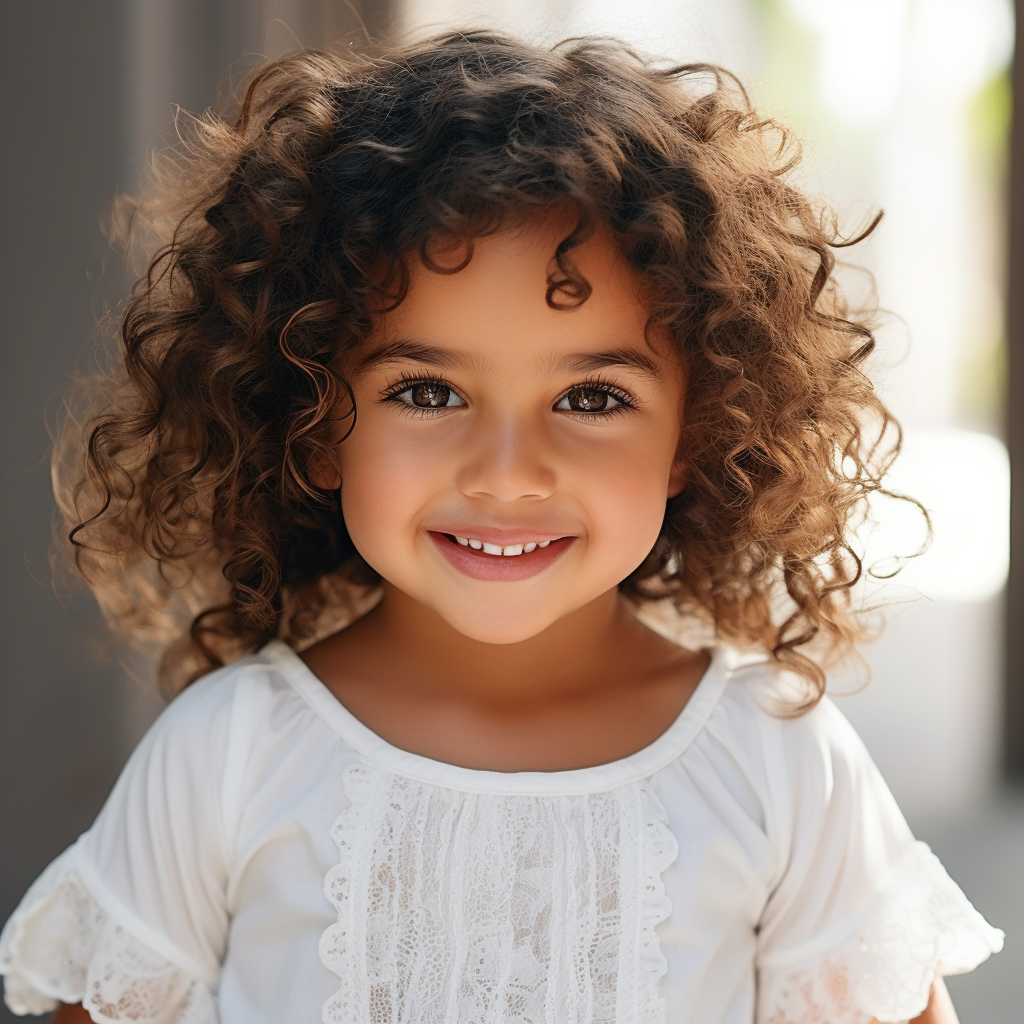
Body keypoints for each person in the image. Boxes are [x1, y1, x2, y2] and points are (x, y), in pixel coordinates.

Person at [0, 30, 1003, 1024]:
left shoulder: (781, 764)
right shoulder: (224, 758)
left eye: (593, 399)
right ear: (313, 424)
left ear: (696, 436)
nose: (508, 474)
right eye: (429, 392)